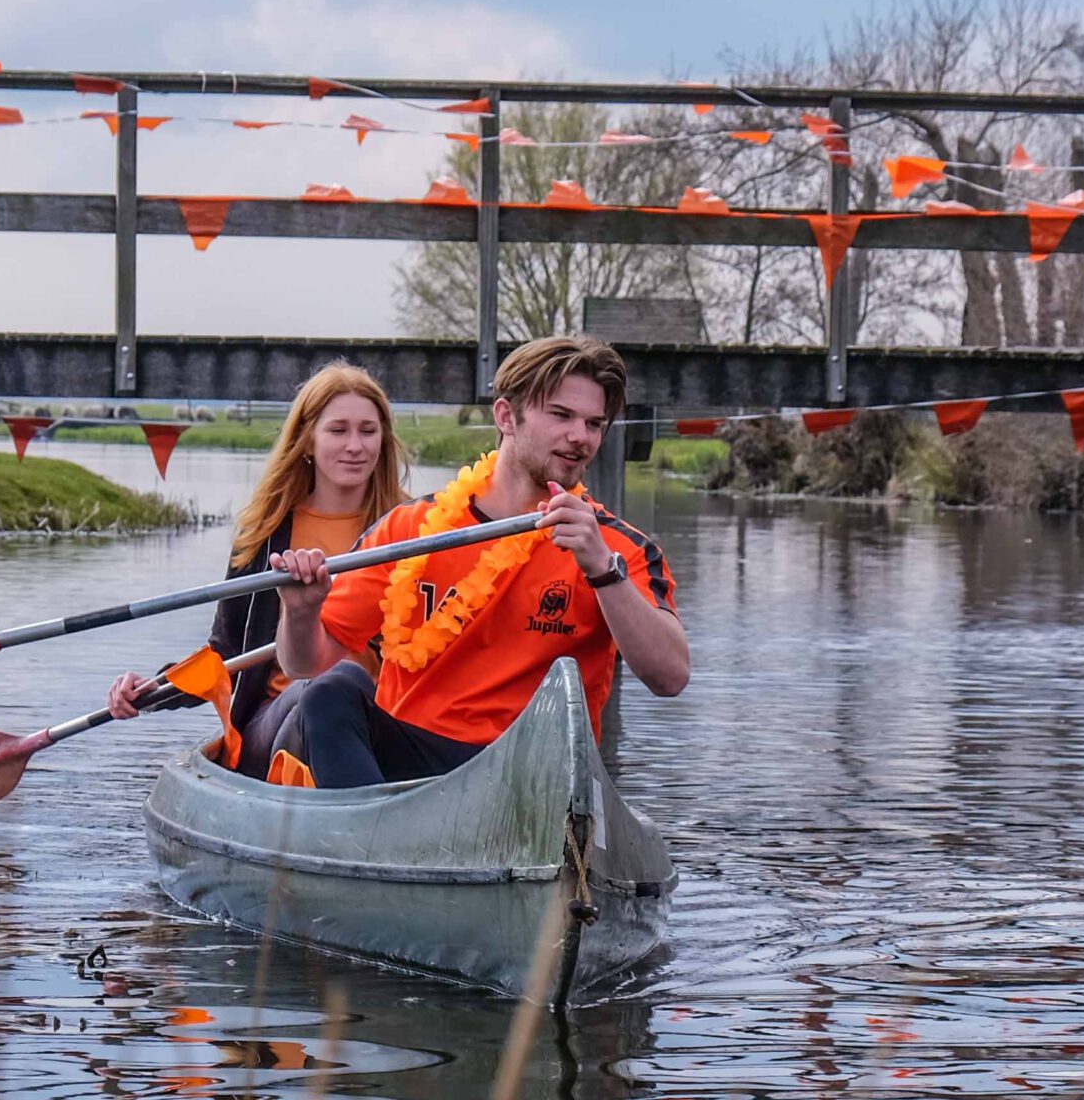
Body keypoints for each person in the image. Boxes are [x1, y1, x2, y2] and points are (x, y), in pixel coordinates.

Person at [268, 334, 687, 788]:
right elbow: (302, 665)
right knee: (327, 692)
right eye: (562, 416)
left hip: (531, 776)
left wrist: (602, 570)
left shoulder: (617, 548)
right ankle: (371, 843)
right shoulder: (410, 529)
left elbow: (670, 678)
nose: (579, 437)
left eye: (593, 424)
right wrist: (300, 610)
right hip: (408, 766)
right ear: (506, 416)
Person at [106, 362, 410, 773]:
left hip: (382, 721)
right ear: (307, 441)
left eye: (367, 431)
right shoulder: (267, 534)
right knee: (326, 687)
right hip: (277, 724)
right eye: (338, 431)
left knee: (348, 692)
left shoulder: (415, 527)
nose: (355, 445)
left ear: (383, 440)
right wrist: (153, 690)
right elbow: (227, 652)